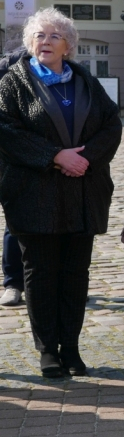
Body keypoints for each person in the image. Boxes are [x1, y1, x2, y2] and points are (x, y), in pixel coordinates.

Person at [0, 7, 121, 378]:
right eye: (39, 35)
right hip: (34, 193)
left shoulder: (85, 80)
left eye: (54, 36)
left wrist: (84, 161)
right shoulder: (12, 82)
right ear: (29, 43)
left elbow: (112, 124)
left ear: (68, 45)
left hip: (83, 192)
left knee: (75, 274)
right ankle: (47, 350)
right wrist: (55, 157)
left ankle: (71, 347)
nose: (46, 41)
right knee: (40, 273)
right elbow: (6, 132)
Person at [0, 47, 29, 308]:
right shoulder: (11, 66)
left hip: (49, 161)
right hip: (12, 161)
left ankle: (59, 284)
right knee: (14, 224)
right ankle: (13, 283)